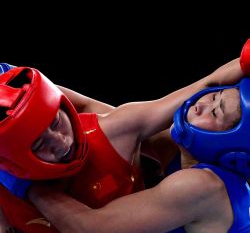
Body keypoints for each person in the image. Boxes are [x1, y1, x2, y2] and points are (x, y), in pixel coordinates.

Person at [0, 40, 248, 232]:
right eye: (216, 95)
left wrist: (24, 179)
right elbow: (87, 108)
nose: (200, 103)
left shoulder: (203, 187)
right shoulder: (174, 147)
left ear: (233, 147)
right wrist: (12, 82)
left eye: (216, 112)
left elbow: (88, 228)